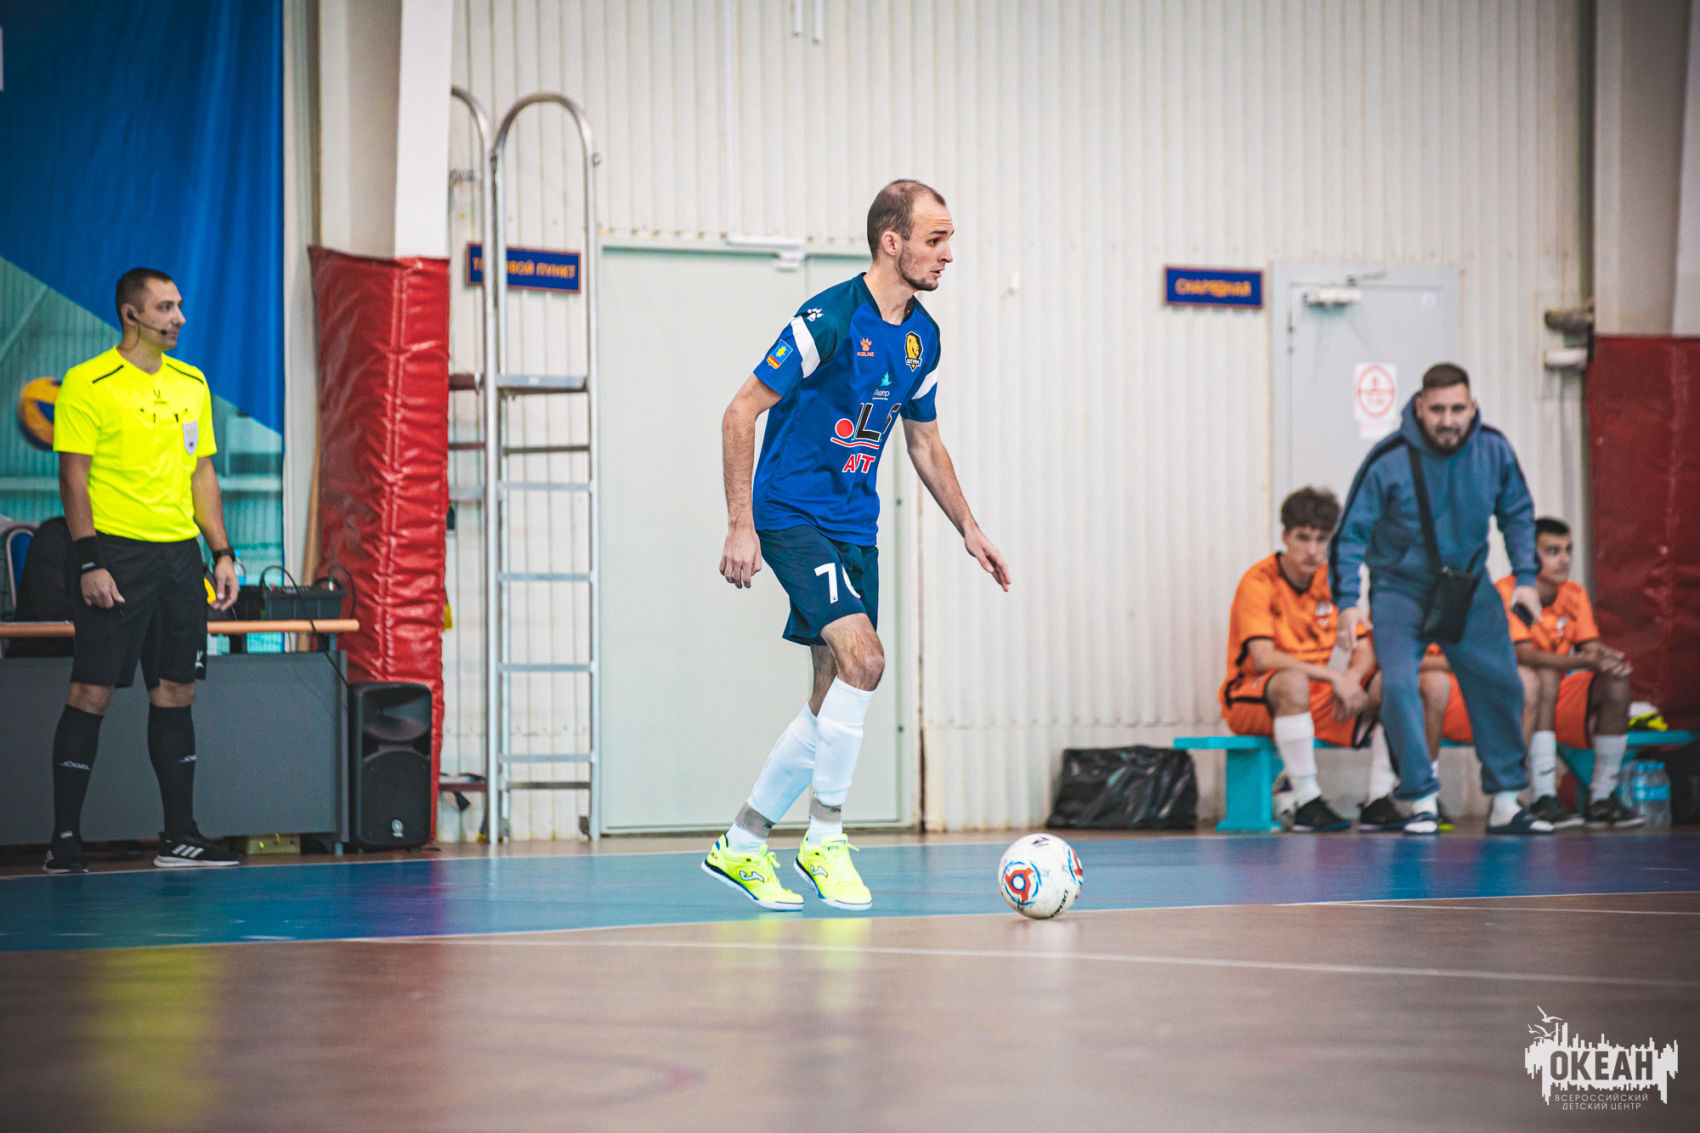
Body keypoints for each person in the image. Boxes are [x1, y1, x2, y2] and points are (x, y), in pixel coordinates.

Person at [708, 181, 1009, 909]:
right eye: (935, 239)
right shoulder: (829, 318)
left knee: (831, 695)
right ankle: (825, 838)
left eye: (949, 239)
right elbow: (740, 411)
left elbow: (924, 440)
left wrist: (969, 527)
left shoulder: (923, 337)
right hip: (791, 513)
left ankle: (742, 843)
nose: (948, 254)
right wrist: (741, 523)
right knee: (867, 661)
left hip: (853, 525)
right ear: (890, 242)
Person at [43, 267, 242, 873]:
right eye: (164, 308)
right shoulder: (88, 383)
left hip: (180, 559)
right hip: (115, 556)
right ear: (131, 314)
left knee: (176, 693)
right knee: (91, 693)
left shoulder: (192, 382)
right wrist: (88, 560)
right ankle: (63, 841)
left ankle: (180, 837)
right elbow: (73, 477)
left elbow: (201, 473)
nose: (179, 318)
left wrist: (222, 552)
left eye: (179, 306)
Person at [1330, 362, 1549, 835]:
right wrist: (1347, 601)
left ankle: (1506, 801)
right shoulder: (1387, 459)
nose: (1447, 420)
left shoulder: (1493, 449)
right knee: (1399, 688)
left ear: (1472, 407)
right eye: (1437, 410)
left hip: (1468, 586)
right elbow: (1350, 535)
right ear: (1418, 407)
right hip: (1399, 590)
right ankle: (1421, 799)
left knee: (1502, 684)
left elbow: (1517, 512)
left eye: (1456, 409)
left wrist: (1526, 577)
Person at [1425, 517, 1641, 829]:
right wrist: (1589, 661)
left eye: (1568, 550)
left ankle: (1602, 798)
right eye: (1553, 551)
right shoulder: (1506, 591)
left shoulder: (1574, 593)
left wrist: (1607, 660)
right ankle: (1543, 796)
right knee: (1542, 675)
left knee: (1615, 685)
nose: (1564, 559)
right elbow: (1522, 654)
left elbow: (1590, 648)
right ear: (1529, 556)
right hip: (1513, 699)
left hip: (1557, 696)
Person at [1220, 487, 1387, 832]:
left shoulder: (1332, 581)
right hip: (1253, 695)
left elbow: (1365, 646)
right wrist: (1334, 677)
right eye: (1303, 538)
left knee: (1391, 685)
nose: (1312, 550)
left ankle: (1380, 798)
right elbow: (1263, 657)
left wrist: (1351, 677)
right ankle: (1306, 800)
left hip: (1313, 695)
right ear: (1285, 537)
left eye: (1321, 539)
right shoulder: (1259, 581)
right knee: (1293, 682)